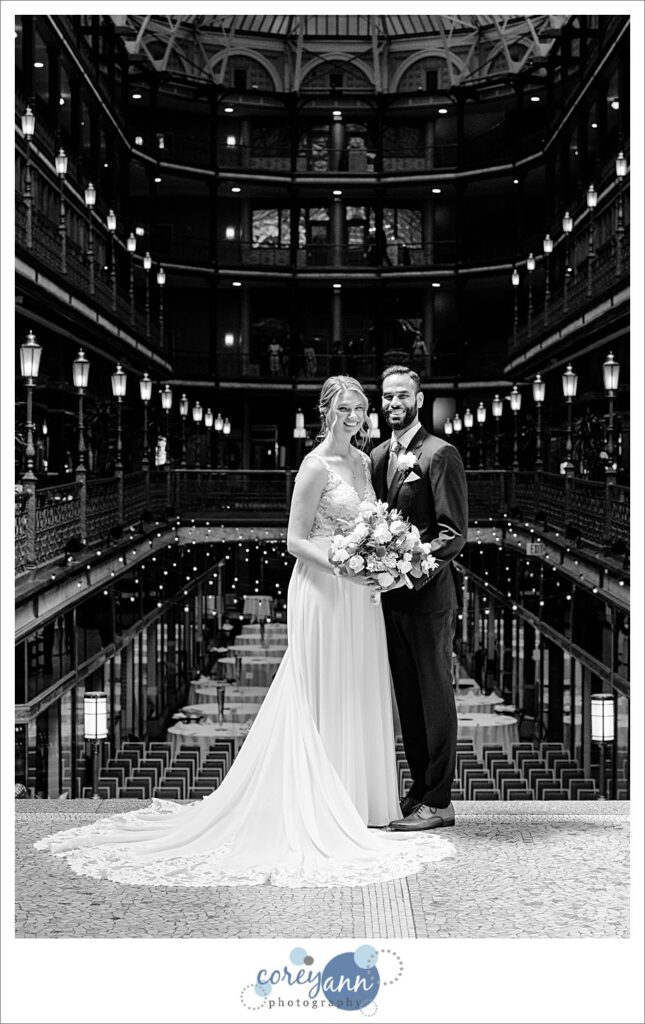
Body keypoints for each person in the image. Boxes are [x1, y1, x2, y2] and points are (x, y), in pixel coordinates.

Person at [35, 375, 452, 888]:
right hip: (324, 589)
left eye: (360, 407)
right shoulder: (314, 465)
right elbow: (296, 541)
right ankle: (319, 806)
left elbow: (382, 521)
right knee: (323, 690)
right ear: (326, 412)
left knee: (361, 691)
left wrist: (376, 560)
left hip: (362, 597)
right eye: (345, 408)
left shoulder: (368, 462)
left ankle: (362, 802)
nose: (355, 416)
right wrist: (343, 564)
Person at [371, 365, 468, 832]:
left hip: (429, 599)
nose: (393, 403)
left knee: (434, 698)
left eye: (402, 396)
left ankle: (441, 800)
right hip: (391, 601)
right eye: (387, 396)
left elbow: (453, 535)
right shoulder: (376, 457)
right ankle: (418, 792)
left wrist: (408, 566)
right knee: (407, 700)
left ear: (419, 399)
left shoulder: (439, 453)